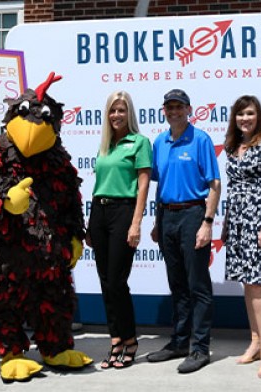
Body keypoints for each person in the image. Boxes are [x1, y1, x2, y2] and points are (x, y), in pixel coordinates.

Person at [147, 89, 221, 374]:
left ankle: (200, 348)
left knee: (197, 285)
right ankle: (179, 342)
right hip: (167, 216)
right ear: (163, 111)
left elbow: (214, 184)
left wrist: (207, 222)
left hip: (193, 214)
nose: (174, 111)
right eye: (169, 107)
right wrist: (156, 221)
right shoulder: (159, 142)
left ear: (189, 109)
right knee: (177, 283)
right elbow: (159, 184)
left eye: (179, 107)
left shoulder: (200, 139)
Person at [87, 91, 152, 369]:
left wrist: (136, 222)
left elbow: (143, 185)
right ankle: (115, 339)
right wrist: (91, 223)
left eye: (121, 110)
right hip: (99, 212)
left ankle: (130, 339)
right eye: (113, 110)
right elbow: (99, 183)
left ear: (130, 113)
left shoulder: (139, 142)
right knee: (105, 280)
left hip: (124, 212)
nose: (116, 115)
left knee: (116, 280)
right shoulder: (105, 145)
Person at [222, 95, 261, 379]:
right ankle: (256, 342)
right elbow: (231, 186)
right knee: (248, 284)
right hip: (237, 220)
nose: (244, 119)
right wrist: (226, 224)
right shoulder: (232, 146)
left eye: (250, 114)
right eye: (240, 114)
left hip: (260, 219)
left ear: (258, 116)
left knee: (259, 284)